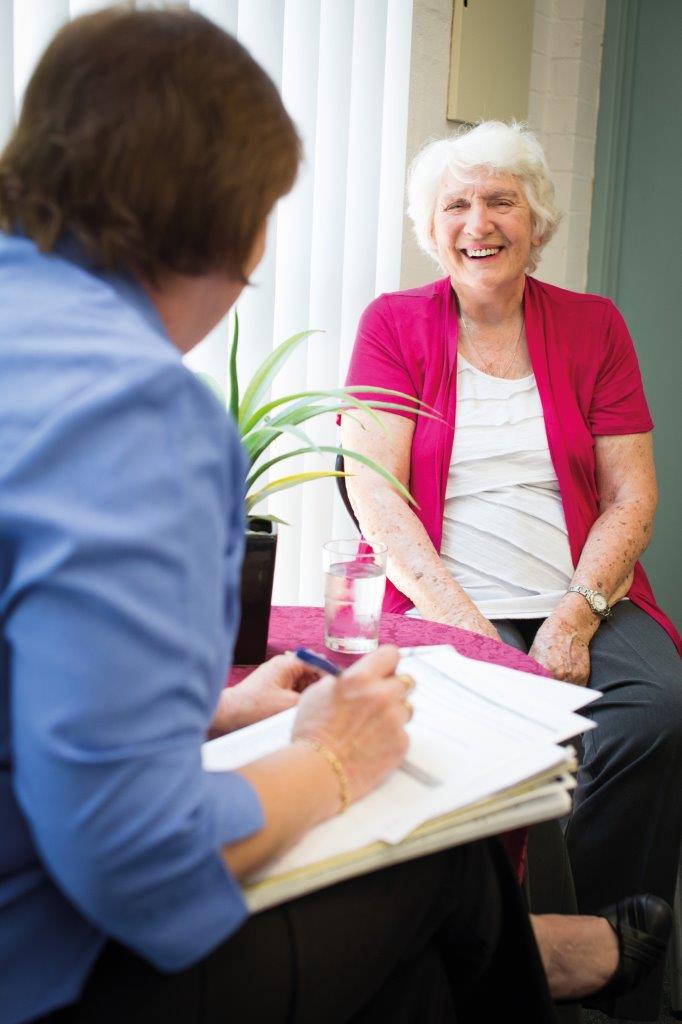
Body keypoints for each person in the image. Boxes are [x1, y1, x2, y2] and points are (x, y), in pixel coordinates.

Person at [0, 13, 669, 1024]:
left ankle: (555, 964)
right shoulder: (138, 410)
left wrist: (211, 715)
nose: (478, 222)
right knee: (447, 874)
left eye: (499, 201)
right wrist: (329, 762)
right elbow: (130, 856)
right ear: (234, 220)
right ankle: (568, 969)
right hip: (43, 965)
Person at [341, 119, 682, 1019]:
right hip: (441, 600)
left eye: (501, 200)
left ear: (538, 221)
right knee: (447, 740)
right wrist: (463, 624)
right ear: (431, 226)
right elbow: (375, 493)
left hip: (581, 593)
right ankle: (493, 970)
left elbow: (632, 496)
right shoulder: (393, 325)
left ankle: (613, 957)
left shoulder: (593, 324)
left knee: (653, 714)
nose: (477, 222)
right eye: (456, 204)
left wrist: (574, 615)